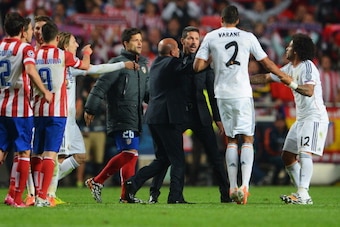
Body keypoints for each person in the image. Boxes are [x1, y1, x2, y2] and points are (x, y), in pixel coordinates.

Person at [193, 5, 293, 205]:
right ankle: (245, 186)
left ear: (221, 19)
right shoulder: (247, 37)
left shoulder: (211, 37)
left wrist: (214, 56)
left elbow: (197, 66)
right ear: (237, 20)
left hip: (221, 93)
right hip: (242, 92)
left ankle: (232, 187)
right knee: (247, 139)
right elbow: (267, 63)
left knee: (230, 140)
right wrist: (284, 76)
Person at [45, 31, 138, 206]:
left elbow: (96, 69)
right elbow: (92, 67)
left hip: (70, 121)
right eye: (74, 42)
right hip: (60, 117)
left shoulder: (70, 65)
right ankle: (47, 193)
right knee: (58, 157)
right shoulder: (62, 63)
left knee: (79, 156)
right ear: (66, 46)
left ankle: (45, 185)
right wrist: (89, 54)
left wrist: (121, 65)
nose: (77, 45)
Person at [148, 26, 232, 203]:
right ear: (182, 41)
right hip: (176, 115)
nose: (194, 42)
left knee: (215, 157)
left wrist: (218, 118)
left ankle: (226, 195)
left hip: (200, 115)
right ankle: (154, 194)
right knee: (169, 156)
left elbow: (212, 92)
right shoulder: (173, 61)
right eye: (190, 38)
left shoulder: (204, 64)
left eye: (196, 38)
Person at [250, 33, 329, 205]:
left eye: (290, 46)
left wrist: (290, 82)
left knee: (304, 152)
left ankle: (303, 193)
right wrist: (243, 80)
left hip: (314, 117)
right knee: (287, 156)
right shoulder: (290, 68)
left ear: (298, 50)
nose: (287, 48)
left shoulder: (307, 67)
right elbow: (265, 78)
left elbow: (309, 91)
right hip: (301, 119)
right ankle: (301, 193)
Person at [125, 38, 194, 204]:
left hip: (154, 117)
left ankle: (134, 182)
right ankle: (175, 197)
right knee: (177, 159)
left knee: (163, 158)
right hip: (167, 118)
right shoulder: (171, 63)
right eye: (177, 49)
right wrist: (189, 52)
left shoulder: (156, 63)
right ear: (172, 52)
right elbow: (188, 67)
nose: (178, 52)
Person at [84, 28, 149, 203]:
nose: (139, 43)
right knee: (129, 153)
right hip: (120, 114)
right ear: (125, 43)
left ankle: (126, 196)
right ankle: (97, 181)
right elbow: (100, 86)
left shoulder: (143, 66)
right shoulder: (117, 64)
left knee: (132, 155)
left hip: (136, 116)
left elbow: (147, 93)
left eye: (140, 40)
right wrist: (90, 108)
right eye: (135, 40)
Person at [31, 21, 92, 207]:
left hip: (37, 110)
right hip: (56, 112)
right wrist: (87, 53)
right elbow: (86, 66)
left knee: (36, 153)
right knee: (51, 154)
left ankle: (33, 193)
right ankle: (43, 196)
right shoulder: (63, 55)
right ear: (57, 38)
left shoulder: (33, 54)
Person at [1, 12, 52, 207]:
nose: (32, 33)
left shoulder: (0, 47)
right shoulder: (25, 49)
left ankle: (11, 195)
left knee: (2, 151)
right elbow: (30, 71)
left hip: (1, 106)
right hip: (20, 109)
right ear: (22, 30)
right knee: (23, 153)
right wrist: (45, 91)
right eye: (31, 29)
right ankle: (16, 198)